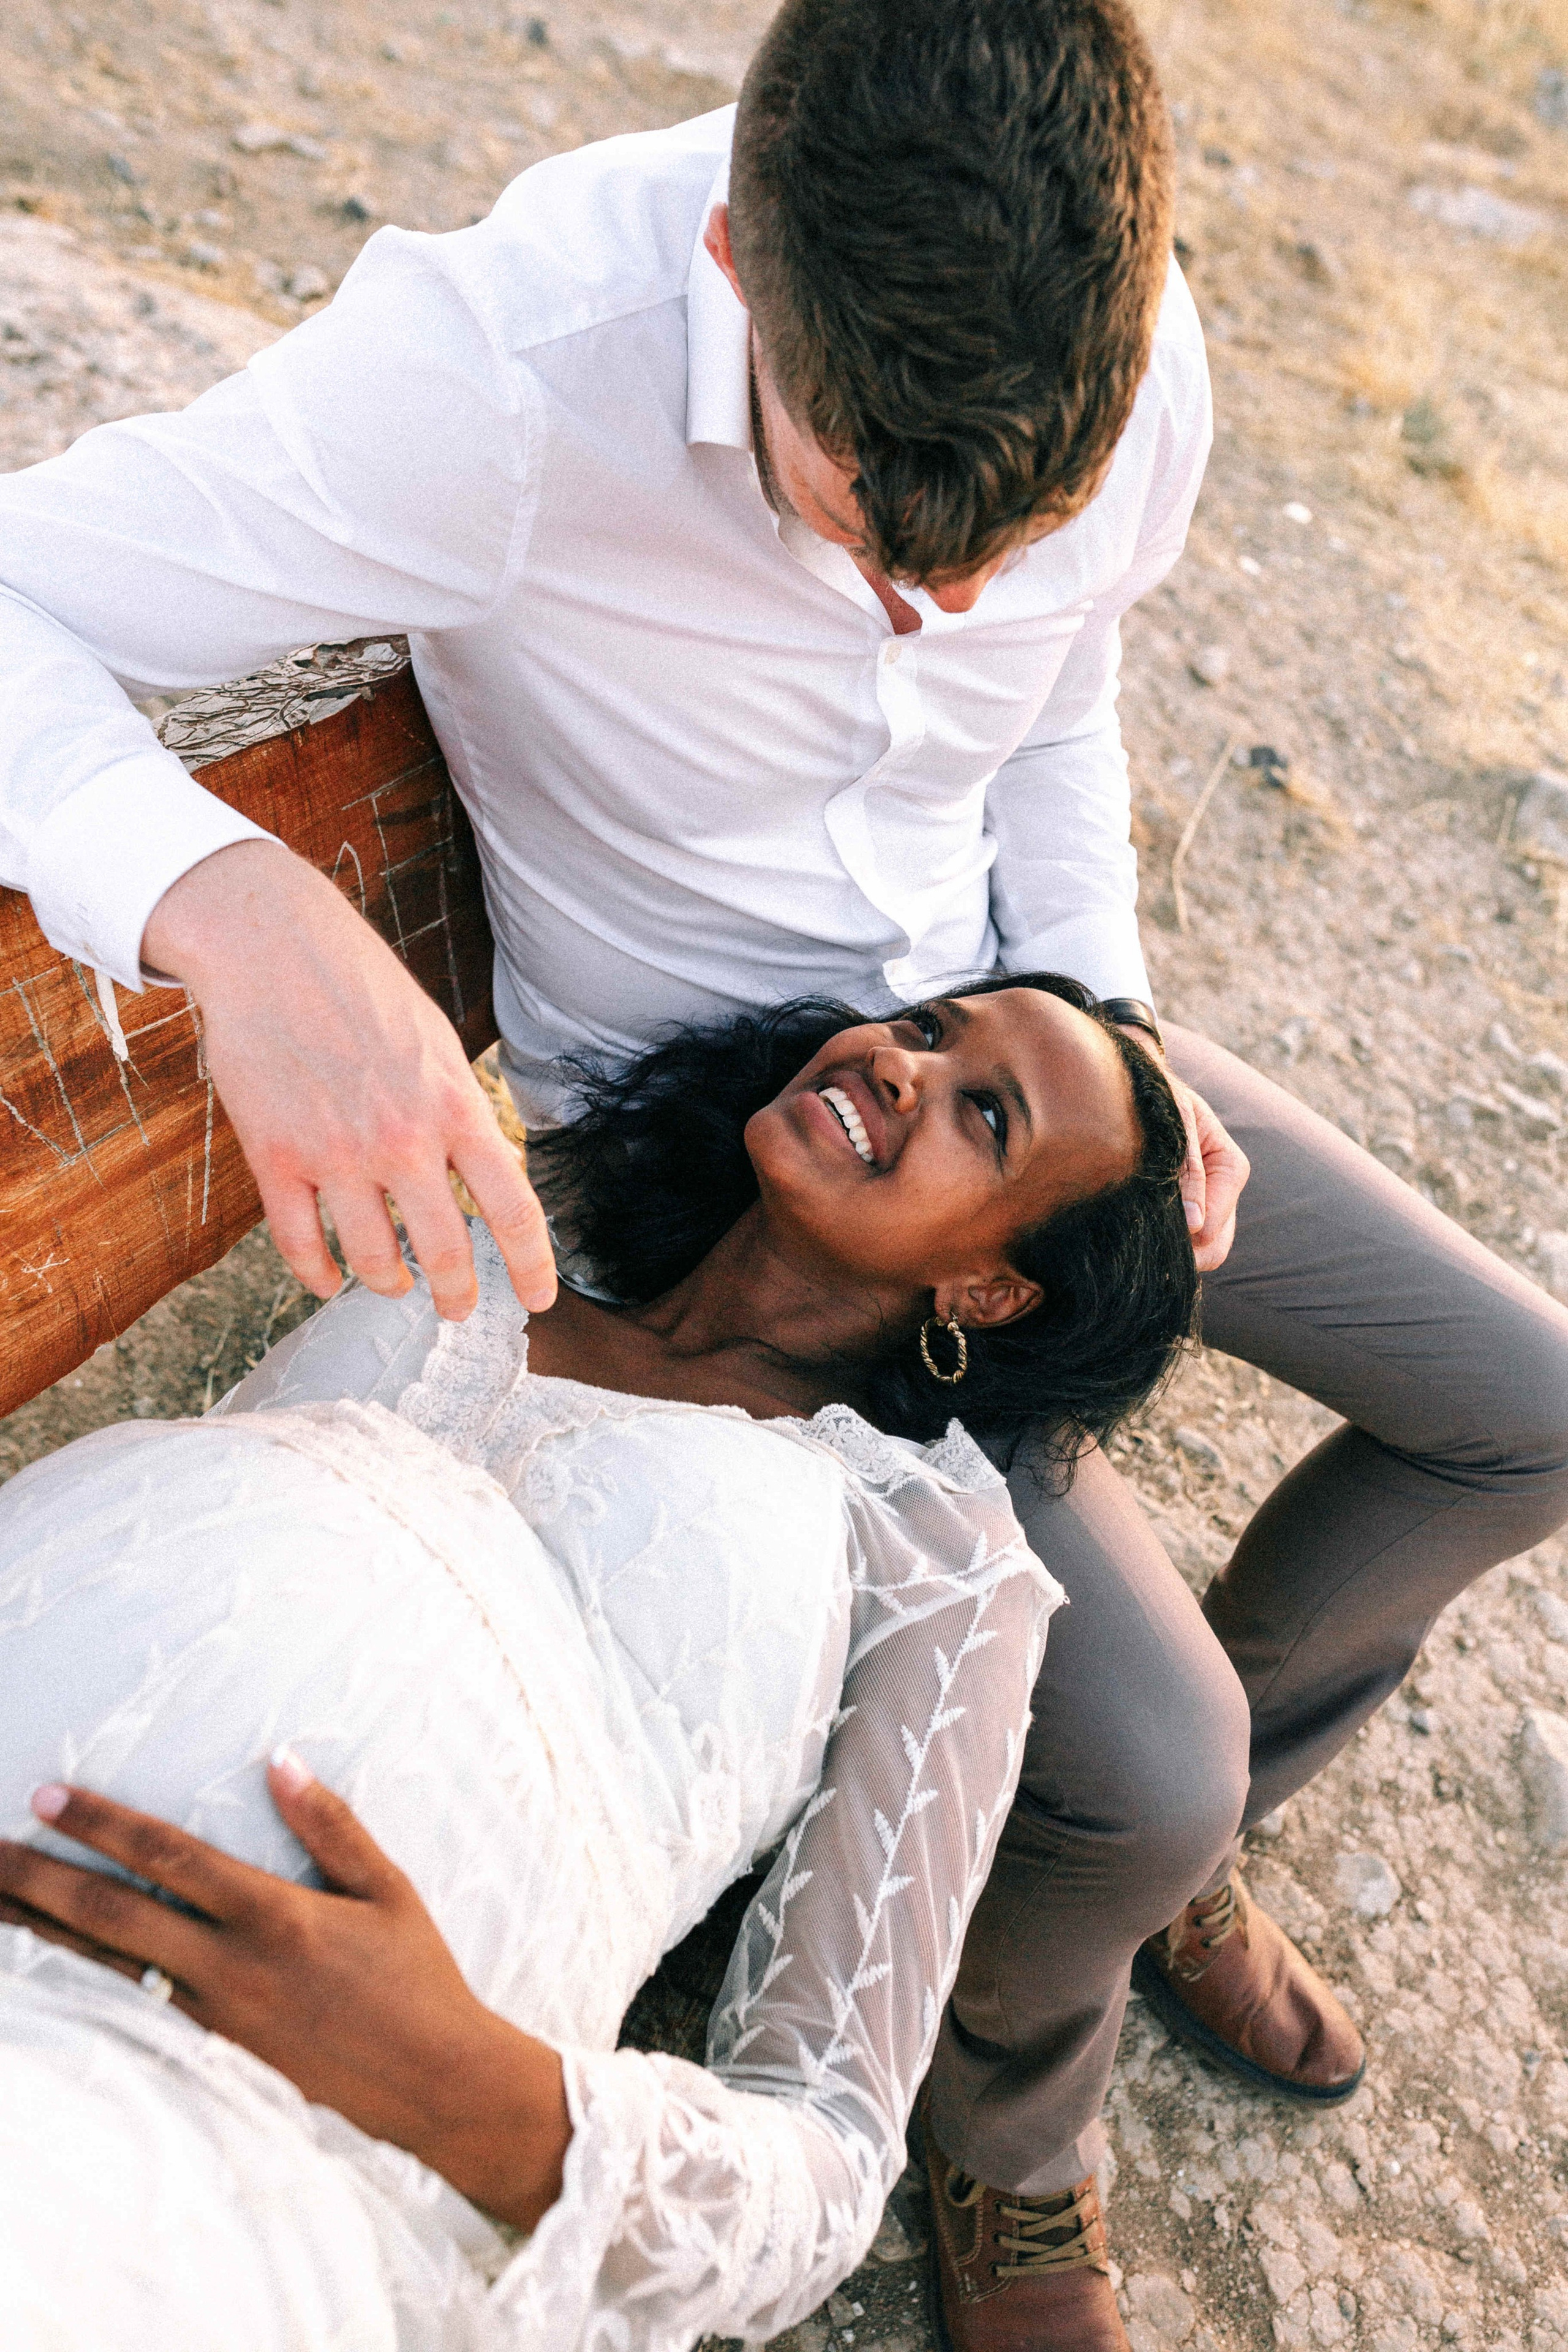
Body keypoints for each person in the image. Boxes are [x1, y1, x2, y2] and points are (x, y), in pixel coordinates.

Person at [2, 0, 1567, 2342]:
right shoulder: (500, 372)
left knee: (1527, 1407)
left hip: (1021, 1027)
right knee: (1147, 1758)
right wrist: (235, 918)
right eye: (862, 525)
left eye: (1002, 542)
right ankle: (1018, 2101)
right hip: (733, 1146)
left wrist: (1111, 1032)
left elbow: (1053, 711)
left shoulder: (1127, 362)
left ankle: (1131, 1883)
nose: (935, 608)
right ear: (737, 262)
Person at [0, 980, 1194, 2350]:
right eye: (928, 1027)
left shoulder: (932, 1549)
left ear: (985, 1283)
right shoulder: (492, 1225)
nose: (904, 1068)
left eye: (985, 1114)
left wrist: (473, 2087)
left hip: (261, 2093)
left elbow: (831, 2147)